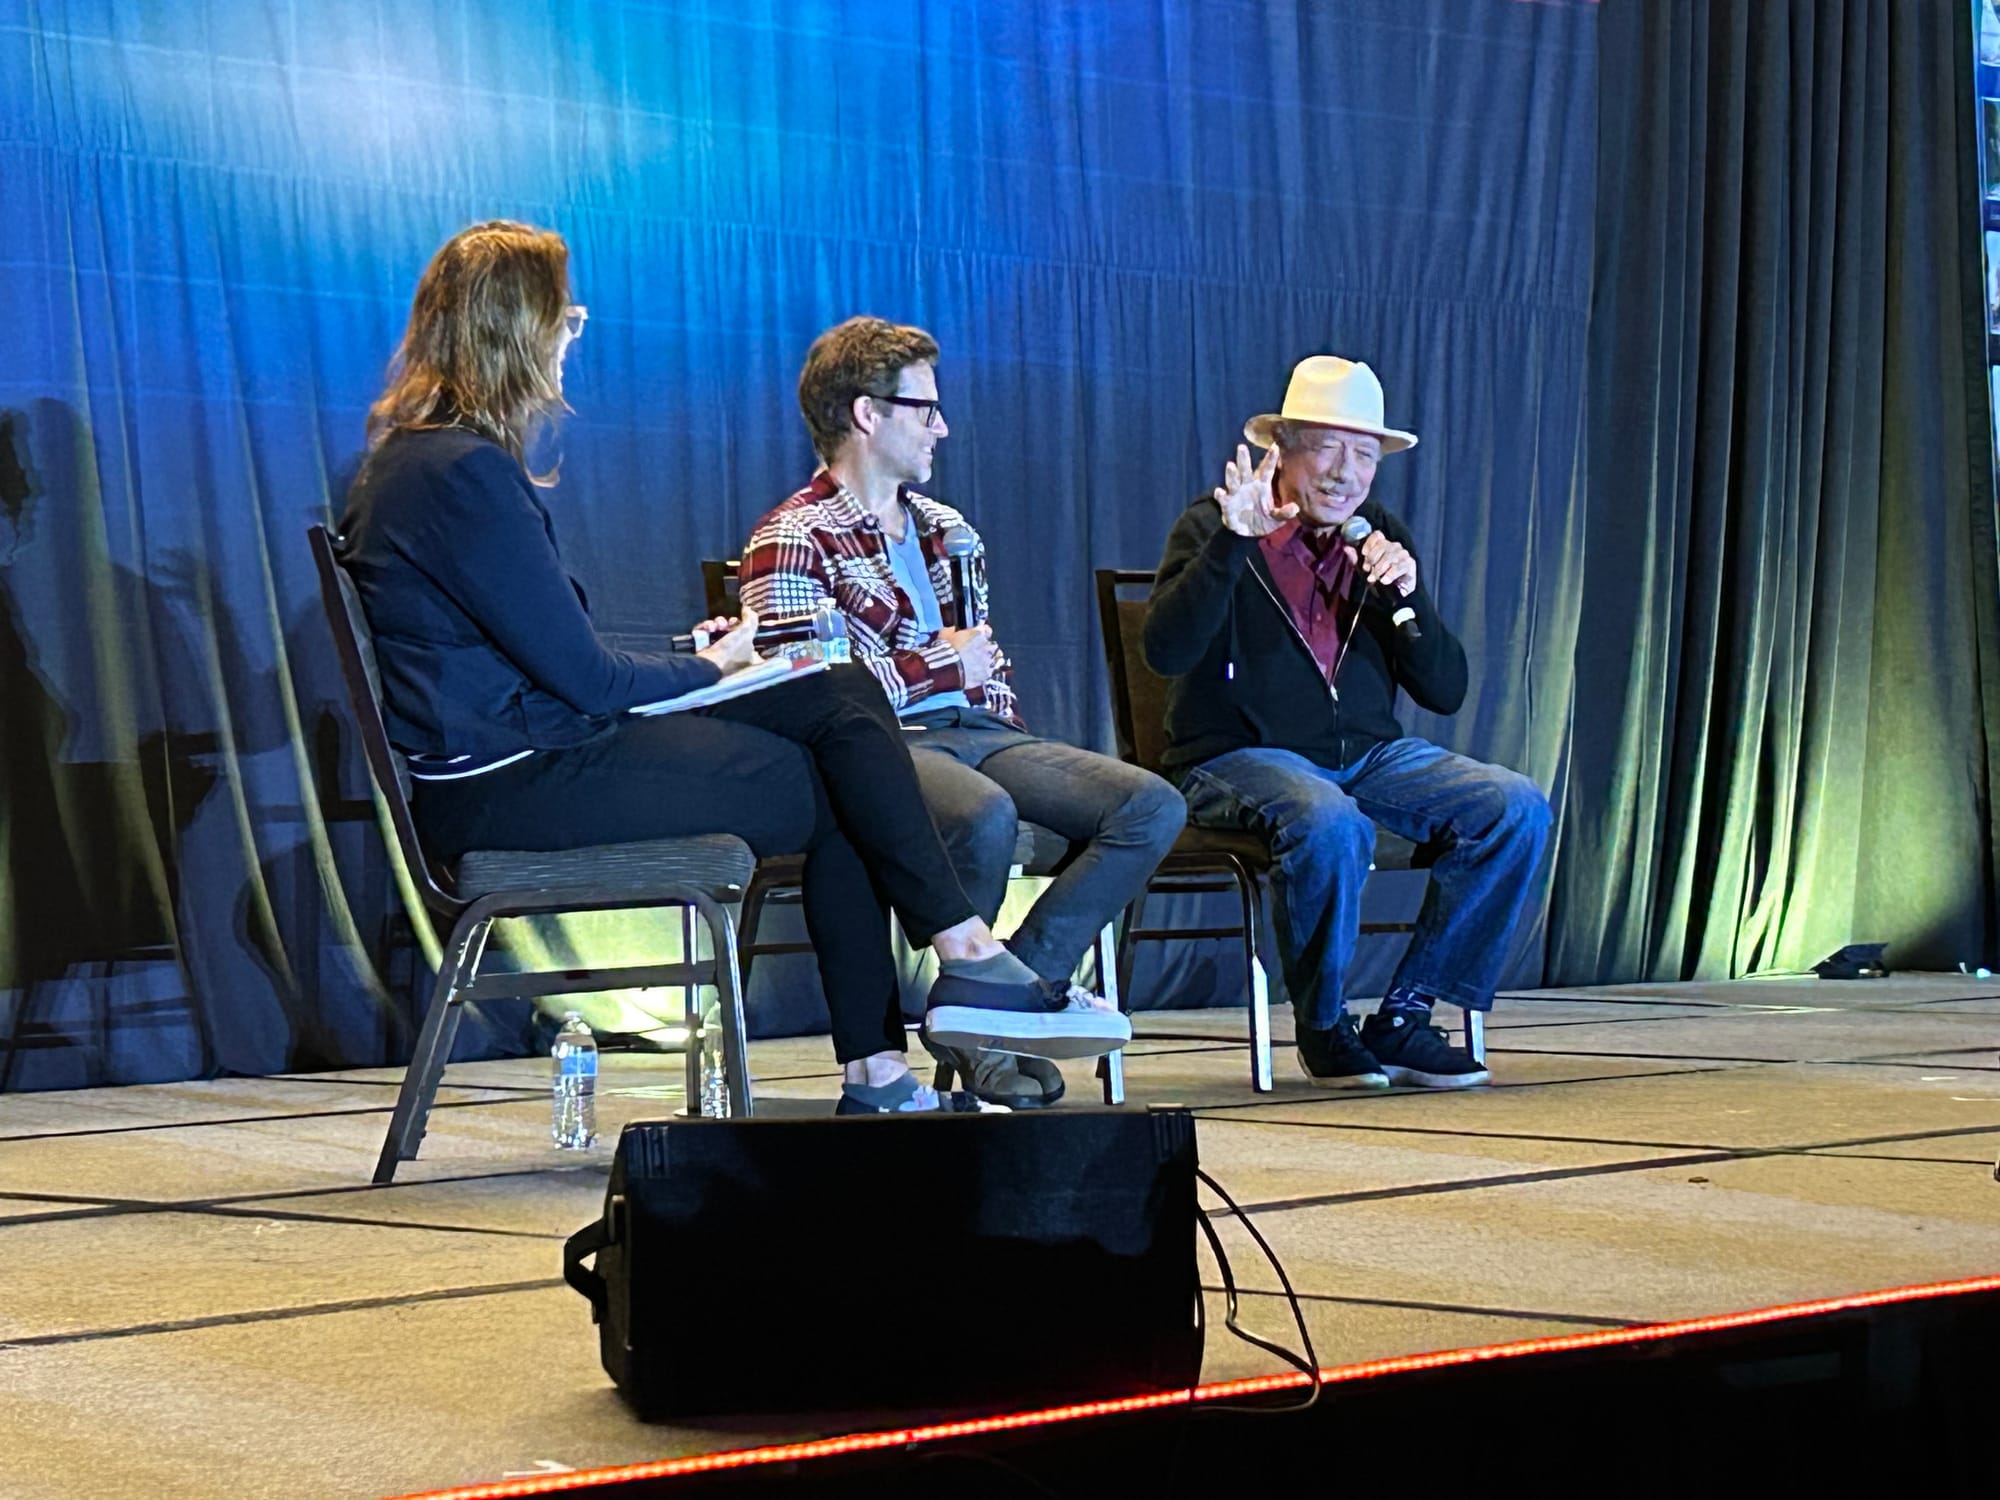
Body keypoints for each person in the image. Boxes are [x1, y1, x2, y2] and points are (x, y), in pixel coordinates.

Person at [337, 221, 1129, 1116]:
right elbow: (589, 684)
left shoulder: (431, 464)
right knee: (841, 776)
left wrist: (704, 660)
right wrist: (712, 672)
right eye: (567, 319)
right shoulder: (459, 475)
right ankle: (944, 991)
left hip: (530, 752)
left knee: (834, 693)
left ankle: (919, 1023)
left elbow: (552, 661)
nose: (571, 339)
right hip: (511, 783)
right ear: (514, 330)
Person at [737, 316, 1180, 1108]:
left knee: (1148, 804)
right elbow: (821, 694)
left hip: (978, 730)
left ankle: (1005, 995)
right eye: (925, 409)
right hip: (883, 747)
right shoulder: (791, 537)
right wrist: (942, 661)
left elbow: (987, 663)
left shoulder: (950, 531)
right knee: (984, 815)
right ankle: (986, 1026)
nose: (942, 426)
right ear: (867, 414)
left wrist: (977, 687)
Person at [1144, 355, 1551, 1089]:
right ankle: (1326, 1025)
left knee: (1513, 805)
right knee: (1328, 820)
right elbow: (1166, 651)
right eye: (1327, 447)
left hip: (1367, 757)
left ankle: (1405, 1013)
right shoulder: (1216, 524)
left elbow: (1445, 688)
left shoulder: (1377, 536)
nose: (1345, 471)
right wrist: (1230, 545)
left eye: (1364, 454)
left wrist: (1409, 595)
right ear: (1284, 448)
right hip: (1237, 757)